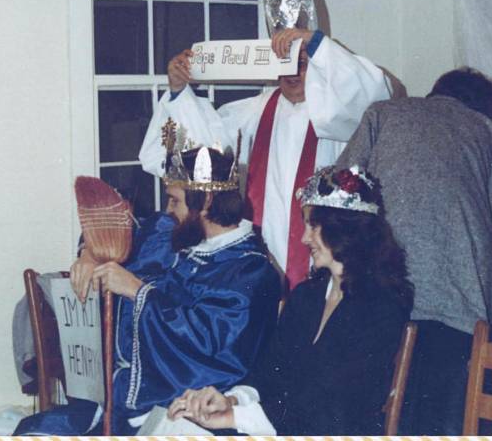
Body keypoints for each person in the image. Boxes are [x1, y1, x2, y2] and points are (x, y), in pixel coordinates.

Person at [334, 67, 492, 435]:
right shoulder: (491, 136)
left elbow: (338, 197)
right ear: (484, 112)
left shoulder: (382, 115)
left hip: (374, 300)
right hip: (456, 316)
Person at [15, 141, 280, 435]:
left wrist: (137, 291)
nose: (168, 210)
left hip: (175, 406)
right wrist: (89, 254)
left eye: (175, 201)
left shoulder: (250, 271)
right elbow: (122, 227)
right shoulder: (177, 233)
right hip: (114, 397)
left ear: (205, 202)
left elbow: (207, 345)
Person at [168, 165, 412, 435]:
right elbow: (270, 370)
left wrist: (235, 418)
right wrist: (232, 400)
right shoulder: (307, 296)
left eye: (313, 226)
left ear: (343, 229)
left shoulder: (382, 306)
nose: (305, 238)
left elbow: (335, 408)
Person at [139, 27, 390, 289]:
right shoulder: (249, 112)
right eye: (285, 63)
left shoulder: (339, 112)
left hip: (323, 245)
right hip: (260, 249)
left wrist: (316, 43)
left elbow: (374, 96)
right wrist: (179, 92)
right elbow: (198, 152)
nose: (292, 73)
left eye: (302, 64)